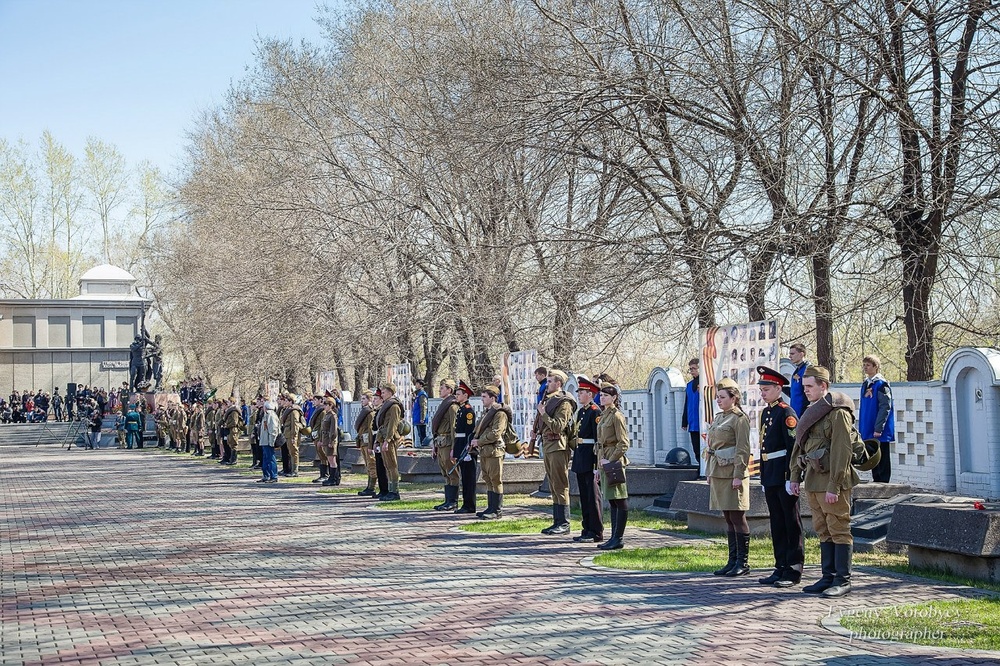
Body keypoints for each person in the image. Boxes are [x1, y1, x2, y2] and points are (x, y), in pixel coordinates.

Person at [789, 366, 860, 598]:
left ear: (824, 386)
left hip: (832, 481)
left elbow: (842, 450)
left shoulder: (838, 413)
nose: (806, 390)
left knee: (839, 527)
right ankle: (828, 576)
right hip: (813, 479)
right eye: (804, 386)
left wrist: (835, 485)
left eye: (810, 386)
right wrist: (794, 476)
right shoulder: (812, 412)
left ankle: (843, 579)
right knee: (822, 528)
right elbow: (799, 446)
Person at [755, 366, 804, 587]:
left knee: (790, 521)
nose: (763, 392)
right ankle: (780, 565)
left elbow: (793, 447)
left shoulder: (786, 412)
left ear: (778, 388)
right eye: (761, 389)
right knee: (776, 522)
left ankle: (793, 568)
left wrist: (790, 477)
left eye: (766, 388)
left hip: (783, 473)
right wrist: (764, 477)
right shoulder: (767, 412)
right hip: (770, 473)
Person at [705, 377, 752, 577]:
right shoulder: (719, 418)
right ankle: (732, 561)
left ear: (734, 398)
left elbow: (743, 448)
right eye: (717, 397)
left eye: (722, 397)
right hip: (718, 471)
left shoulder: (739, 419)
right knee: (727, 517)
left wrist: (739, 475)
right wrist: (709, 472)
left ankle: (743, 562)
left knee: (737, 516)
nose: (719, 400)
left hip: (733, 473)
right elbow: (712, 448)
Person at [535, 370, 576, 535]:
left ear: (558, 383)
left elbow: (558, 426)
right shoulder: (549, 399)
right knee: (553, 485)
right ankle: (557, 521)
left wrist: (543, 413)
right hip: (548, 444)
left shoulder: (564, 402)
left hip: (558, 446)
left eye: (551, 381)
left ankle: (564, 522)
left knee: (560, 484)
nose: (548, 384)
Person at [596, 383, 630, 550]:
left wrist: (611, 460)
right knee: (612, 500)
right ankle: (613, 537)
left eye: (606, 395)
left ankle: (619, 537)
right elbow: (600, 444)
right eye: (601, 395)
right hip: (604, 461)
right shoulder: (604, 415)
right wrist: (598, 467)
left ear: (614, 398)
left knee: (619, 499)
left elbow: (623, 443)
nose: (602, 398)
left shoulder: (617, 416)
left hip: (614, 463)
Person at [571, 377, 603, 543]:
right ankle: (587, 527)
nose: (579, 395)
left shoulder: (594, 411)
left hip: (590, 456)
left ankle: (596, 530)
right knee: (584, 495)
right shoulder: (582, 411)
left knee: (592, 496)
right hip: (581, 455)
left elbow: (598, 440)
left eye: (581, 392)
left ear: (590, 394)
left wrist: (596, 464)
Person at [471, 385, 510, 520]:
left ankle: (497, 510)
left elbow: (496, 433)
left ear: (493, 398)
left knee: (495, 480)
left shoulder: (500, 414)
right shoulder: (486, 413)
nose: (482, 400)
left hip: (495, 450)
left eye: (484, 397)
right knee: (487, 479)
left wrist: (479, 441)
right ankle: (490, 507)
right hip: (485, 451)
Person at [859, 355, 894, 483]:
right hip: (868, 427)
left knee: (882, 456)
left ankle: (884, 483)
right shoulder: (866, 384)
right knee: (873, 456)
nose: (865, 368)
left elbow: (885, 407)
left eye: (868, 365)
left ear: (876, 366)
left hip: (879, 428)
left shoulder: (881, 385)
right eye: (864, 365)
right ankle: (876, 481)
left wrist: (879, 427)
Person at [431, 379, 460, 511]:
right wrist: (434, 445)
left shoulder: (452, 406)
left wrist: (455, 448)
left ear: (450, 390)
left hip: (448, 442)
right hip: (440, 441)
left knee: (451, 472)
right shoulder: (444, 404)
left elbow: (454, 428)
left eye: (443, 388)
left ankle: (453, 501)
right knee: (445, 472)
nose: (440, 390)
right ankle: (447, 499)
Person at [451, 381, 478, 514]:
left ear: (466, 395)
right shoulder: (461, 409)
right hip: (460, 443)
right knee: (464, 477)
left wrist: (468, 449)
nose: (456, 396)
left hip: (466, 446)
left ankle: (470, 505)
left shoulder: (468, 411)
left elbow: (469, 431)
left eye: (459, 394)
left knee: (469, 478)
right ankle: (465, 504)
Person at [375, 385, 404, 501]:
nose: (382, 394)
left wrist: (387, 440)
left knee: (392, 465)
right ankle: (389, 490)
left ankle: (394, 491)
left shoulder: (394, 406)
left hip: (390, 439)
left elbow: (393, 424)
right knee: (387, 465)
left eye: (384, 392)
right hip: (383, 437)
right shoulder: (386, 405)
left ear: (391, 392)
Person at [354, 390, 378, 497]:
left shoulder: (370, 413)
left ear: (370, 400)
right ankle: (369, 486)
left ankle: (372, 487)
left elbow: (370, 430)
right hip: (363, 441)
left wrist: (370, 445)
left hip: (367, 442)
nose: (362, 401)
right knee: (367, 464)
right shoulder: (364, 411)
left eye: (364, 399)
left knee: (371, 464)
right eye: (362, 398)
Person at [681, 358, 702, 464]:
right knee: (696, 449)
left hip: (702, 422)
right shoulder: (689, 385)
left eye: (694, 368)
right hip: (693, 422)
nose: (692, 371)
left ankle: (704, 470)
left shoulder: (704, 383)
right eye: (690, 369)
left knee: (704, 448)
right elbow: (686, 404)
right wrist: (684, 421)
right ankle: (699, 466)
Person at [279, 394, 305, 476]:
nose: (285, 402)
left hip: (292, 434)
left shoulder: (294, 411)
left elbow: (295, 425)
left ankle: (295, 471)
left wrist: (294, 436)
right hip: (287, 433)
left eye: (287, 400)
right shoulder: (288, 410)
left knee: (294, 452)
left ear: (291, 401)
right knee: (290, 452)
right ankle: (290, 469)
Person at [319, 397, 342, 486]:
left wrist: (332, 441)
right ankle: (332, 477)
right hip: (325, 439)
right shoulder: (326, 414)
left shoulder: (332, 415)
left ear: (331, 405)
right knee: (329, 459)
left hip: (330, 440)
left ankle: (333, 478)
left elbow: (333, 430)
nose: (324, 406)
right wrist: (321, 440)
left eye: (325, 404)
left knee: (332, 460)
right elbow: (322, 429)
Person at [257, 400, 280, 483]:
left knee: (271, 458)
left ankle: (273, 476)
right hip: (264, 441)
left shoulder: (271, 415)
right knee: (266, 459)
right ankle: (266, 475)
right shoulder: (266, 415)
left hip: (268, 441)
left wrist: (271, 441)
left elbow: (273, 429)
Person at [788, 343, 810, 417]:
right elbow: (795, 392)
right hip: (795, 413)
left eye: (792, 354)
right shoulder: (797, 370)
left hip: (802, 413)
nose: (790, 356)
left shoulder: (807, 370)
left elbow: (807, 393)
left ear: (801, 354)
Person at [412, 379, 429, 448]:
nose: (415, 385)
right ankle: (422, 445)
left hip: (420, 418)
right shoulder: (417, 394)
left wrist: (422, 417)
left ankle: (424, 447)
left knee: (422, 434)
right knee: (419, 433)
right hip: (417, 416)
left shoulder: (422, 395)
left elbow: (423, 407)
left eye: (417, 384)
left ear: (421, 385)